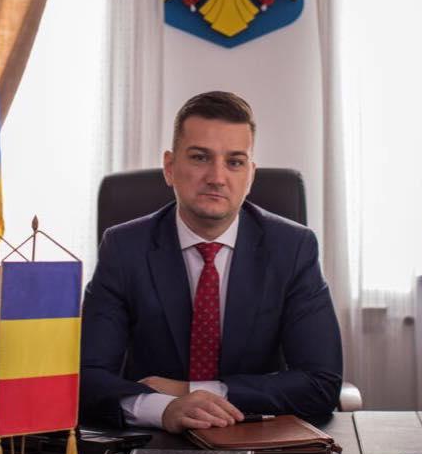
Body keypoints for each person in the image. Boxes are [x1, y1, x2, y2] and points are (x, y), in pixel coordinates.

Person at [80, 91, 342, 433]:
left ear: (250, 175)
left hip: (258, 437)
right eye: (200, 158)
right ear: (170, 167)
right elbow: (87, 377)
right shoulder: (124, 248)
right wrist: (163, 409)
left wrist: (191, 392)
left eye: (234, 162)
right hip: (152, 441)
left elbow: (321, 384)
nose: (217, 177)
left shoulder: (293, 248)